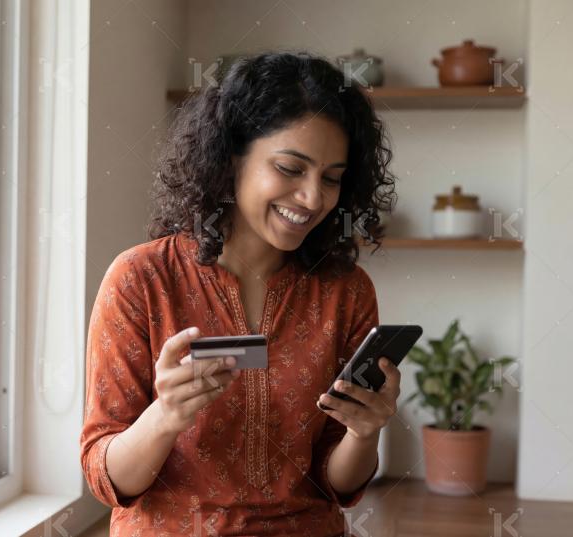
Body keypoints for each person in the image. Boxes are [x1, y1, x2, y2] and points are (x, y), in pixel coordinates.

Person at [80, 50, 400, 536]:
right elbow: (109, 480)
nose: (314, 198)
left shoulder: (345, 292)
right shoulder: (140, 280)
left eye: (331, 179)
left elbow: (338, 486)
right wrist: (164, 417)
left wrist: (364, 432)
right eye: (291, 168)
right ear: (231, 158)